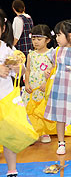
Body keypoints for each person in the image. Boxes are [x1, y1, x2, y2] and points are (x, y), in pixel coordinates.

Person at [44, 19, 71, 155]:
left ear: (70, 36)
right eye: (56, 35)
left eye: (59, 35)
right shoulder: (56, 51)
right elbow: (53, 66)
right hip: (60, 87)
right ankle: (61, 143)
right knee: (59, 116)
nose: (57, 38)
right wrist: (48, 71)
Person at [0, 9, 25, 177]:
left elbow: (20, 72)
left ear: (2, 28)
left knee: (8, 136)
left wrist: (18, 68)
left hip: (6, 97)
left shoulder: (8, 48)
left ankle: (12, 170)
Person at [21, 24, 53, 143]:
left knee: (43, 110)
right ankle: (32, 133)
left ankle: (44, 133)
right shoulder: (31, 54)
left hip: (44, 88)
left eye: (39, 39)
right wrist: (27, 83)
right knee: (31, 110)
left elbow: (54, 70)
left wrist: (47, 83)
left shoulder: (52, 54)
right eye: (33, 39)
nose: (36, 42)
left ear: (48, 40)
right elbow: (28, 70)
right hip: (32, 89)